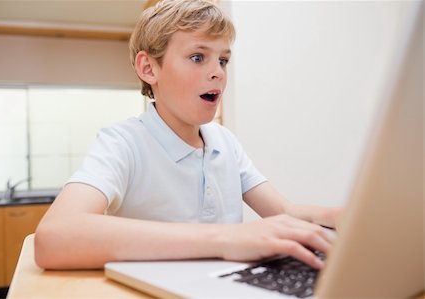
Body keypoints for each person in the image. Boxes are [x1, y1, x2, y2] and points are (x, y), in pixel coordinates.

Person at [34, 0, 342, 270]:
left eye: (223, 60)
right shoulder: (123, 142)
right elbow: (54, 236)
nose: (218, 72)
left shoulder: (225, 142)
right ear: (149, 68)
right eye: (198, 57)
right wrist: (226, 238)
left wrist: (348, 218)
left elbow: (285, 212)